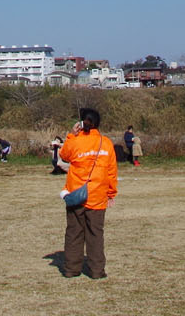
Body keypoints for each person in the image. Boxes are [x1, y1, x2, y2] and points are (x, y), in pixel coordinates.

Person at [58, 107, 118, 280]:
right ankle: (97, 270)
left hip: (77, 193)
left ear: (82, 123)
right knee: (96, 234)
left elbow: (64, 155)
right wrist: (111, 193)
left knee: (74, 232)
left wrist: (71, 135)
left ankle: (71, 269)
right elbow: (112, 171)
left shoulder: (76, 141)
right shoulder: (106, 143)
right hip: (98, 195)